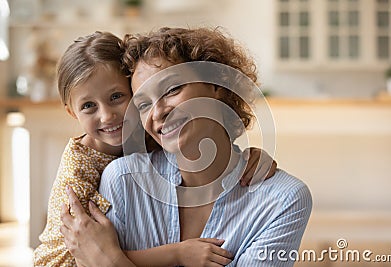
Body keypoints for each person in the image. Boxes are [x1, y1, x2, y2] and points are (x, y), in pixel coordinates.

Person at [60, 27, 311, 267]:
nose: (158, 112)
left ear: (215, 84)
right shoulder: (121, 180)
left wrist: (111, 262)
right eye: (144, 104)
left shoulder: (282, 200)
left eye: (172, 89)